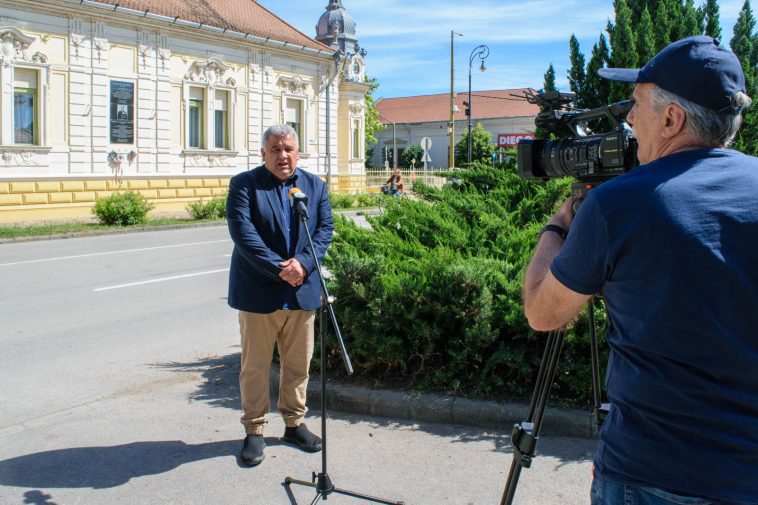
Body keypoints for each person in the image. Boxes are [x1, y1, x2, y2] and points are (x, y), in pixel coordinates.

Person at [523, 36, 758, 505]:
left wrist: (559, 223)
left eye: (636, 104)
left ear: (672, 118)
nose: (629, 120)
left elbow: (542, 313)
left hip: (652, 476)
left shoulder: (618, 205)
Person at [226, 124, 334, 467]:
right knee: (255, 367)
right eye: (275, 149)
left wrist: (302, 265)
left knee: (298, 365)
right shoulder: (245, 185)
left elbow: (324, 229)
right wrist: (279, 268)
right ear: (263, 153)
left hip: (302, 293)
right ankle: (254, 431)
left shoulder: (314, 186)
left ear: (298, 152)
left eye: (288, 148)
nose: (282, 155)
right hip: (259, 293)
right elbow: (243, 234)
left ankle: (294, 424)